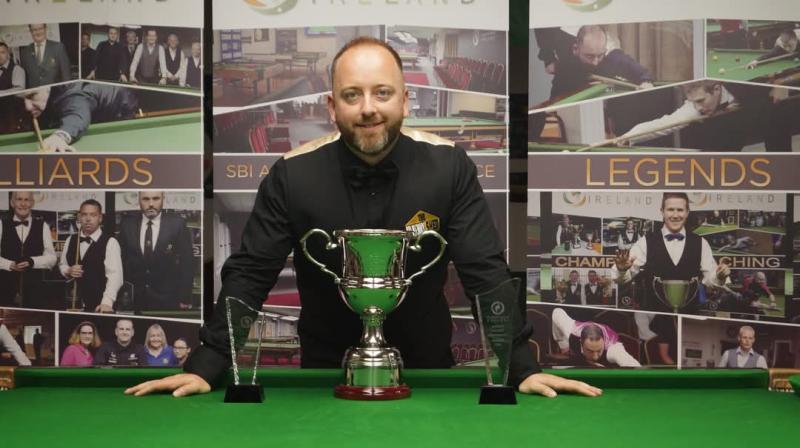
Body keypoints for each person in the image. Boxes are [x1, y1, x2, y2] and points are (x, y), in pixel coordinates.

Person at [126, 37, 602, 399]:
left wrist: (520, 365)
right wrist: (208, 363)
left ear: (405, 100)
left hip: (426, 375)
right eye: (352, 95)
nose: (368, 108)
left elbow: (485, 272)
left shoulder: (450, 167)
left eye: (382, 93)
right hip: (323, 379)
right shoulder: (291, 175)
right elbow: (250, 273)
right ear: (332, 106)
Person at [612, 192, 730, 314]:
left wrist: (719, 277)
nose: (675, 215)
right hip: (654, 319)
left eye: (680, 210)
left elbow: (710, 280)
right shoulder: (645, 242)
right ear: (662, 212)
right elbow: (621, 279)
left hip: (688, 318)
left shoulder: (701, 243)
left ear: (687, 212)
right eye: (670, 210)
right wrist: (621, 270)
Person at [617, 80, 780, 151]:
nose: (698, 108)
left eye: (701, 100)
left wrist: (779, 88)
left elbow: (772, 82)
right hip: (726, 133)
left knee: (776, 125)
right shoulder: (694, 108)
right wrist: (628, 137)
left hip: (756, 112)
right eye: (693, 102)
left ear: (717, 89)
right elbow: (663, 124)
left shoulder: (748, 87)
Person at [117, 191, 194, 312]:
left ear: (163, 199)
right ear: (139, 200)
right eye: (146, 199)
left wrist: (185, 297)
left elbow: (187, 263)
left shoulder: (177, 224)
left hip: (168, 298)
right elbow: (120, 261)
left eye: (156, 198)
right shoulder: (127, 224)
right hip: (134, 298)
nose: (151, 204)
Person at [20, 83, 139, 152]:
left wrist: (59, 136)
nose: (27, 107)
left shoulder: (70, 94)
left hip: (120, 105)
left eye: (32, 95)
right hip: (95, 106)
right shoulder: (46, 93)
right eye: (22, 99)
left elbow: (77, 114)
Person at [549, 25, 653, 100]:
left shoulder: (614, 58)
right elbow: (554, 100)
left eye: (600, 56)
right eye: (589, 56)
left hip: (610, 97)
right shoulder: (565, 67)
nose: (595, 62)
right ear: (576, 49)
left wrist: (646, 83)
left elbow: (643, 74)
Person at [58, 199, 123, 313]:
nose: (88, 219)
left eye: (93, 215)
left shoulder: (110, 242)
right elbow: (62, 265)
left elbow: (115, 277)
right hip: (73, 305)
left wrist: (107, 302)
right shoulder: (70, 240)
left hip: (100, 306)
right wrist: (68, 270)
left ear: (100, 218)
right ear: (79, 217)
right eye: (84, 215)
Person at [0, 191, 57, 308]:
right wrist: (9, 264)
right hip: (4, 291)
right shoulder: (1, 224)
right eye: (19, 199)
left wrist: (32, 261)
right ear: (12, 202)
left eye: (27, 200)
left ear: (32, 203)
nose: (23, 204)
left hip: (35, 293)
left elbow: (52, 258)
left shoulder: (43, 226)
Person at [551, 308, 641, 368]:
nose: (595, 357)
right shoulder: (572, 331)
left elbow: (633, 366)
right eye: (590, 351)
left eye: (599, 351)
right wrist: (563, 345)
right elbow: (557, 312)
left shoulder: (613, 349)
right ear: (581, 342)